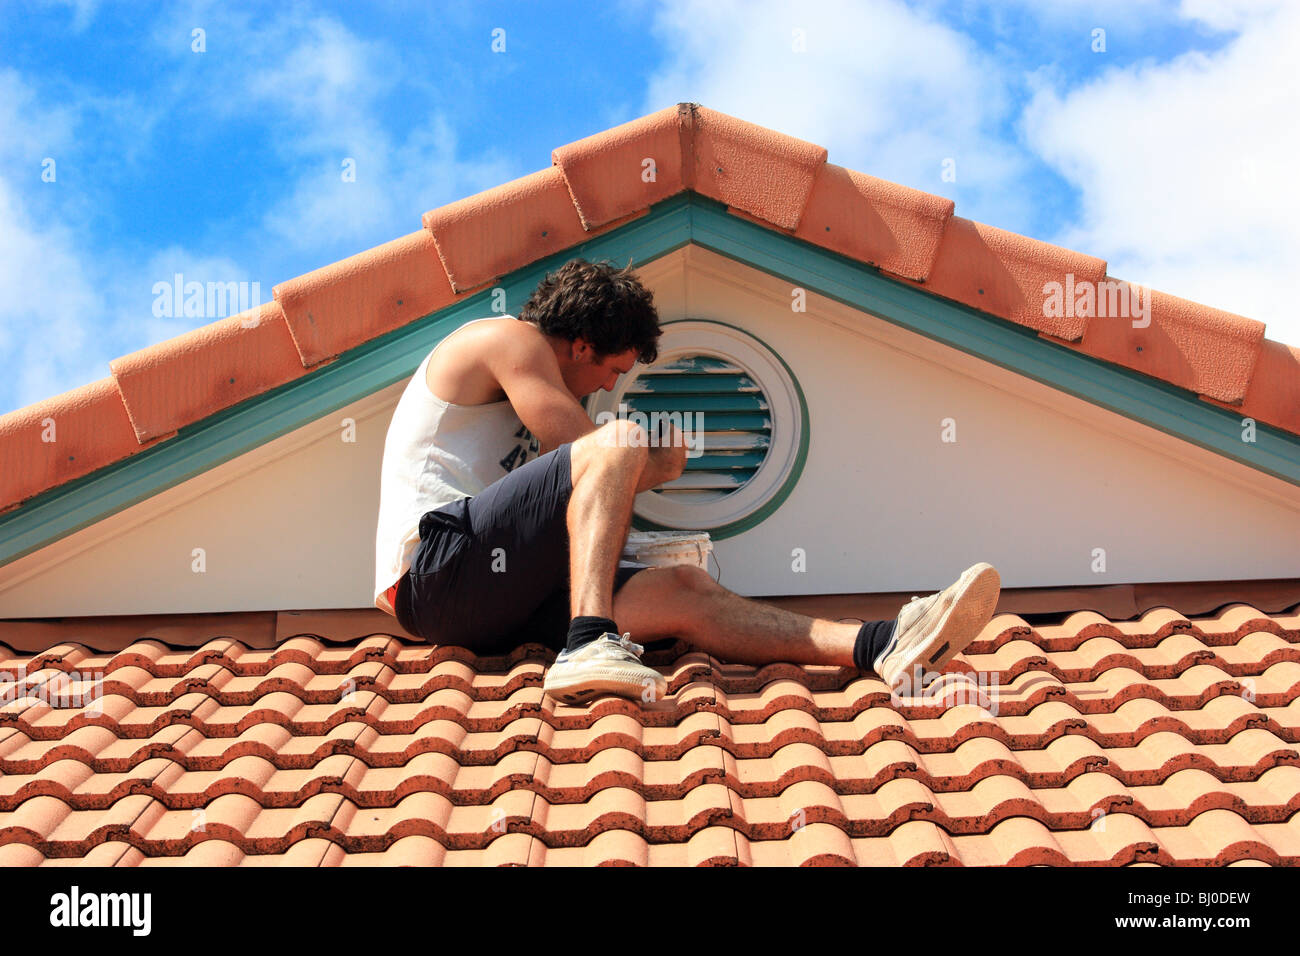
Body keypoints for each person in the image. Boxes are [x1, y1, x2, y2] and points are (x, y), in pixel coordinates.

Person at [373, 258, 1001, 705]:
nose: (607, 387)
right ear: (582, 343)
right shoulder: (511, 338)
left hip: (492, 605)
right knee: (616, 439)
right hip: (437, 571)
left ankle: (881, 644)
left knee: (685, 588)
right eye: (612, 370)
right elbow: (579, 450)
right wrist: (658, 463)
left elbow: (562, 498)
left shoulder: (543, 383)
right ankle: (588, 641)